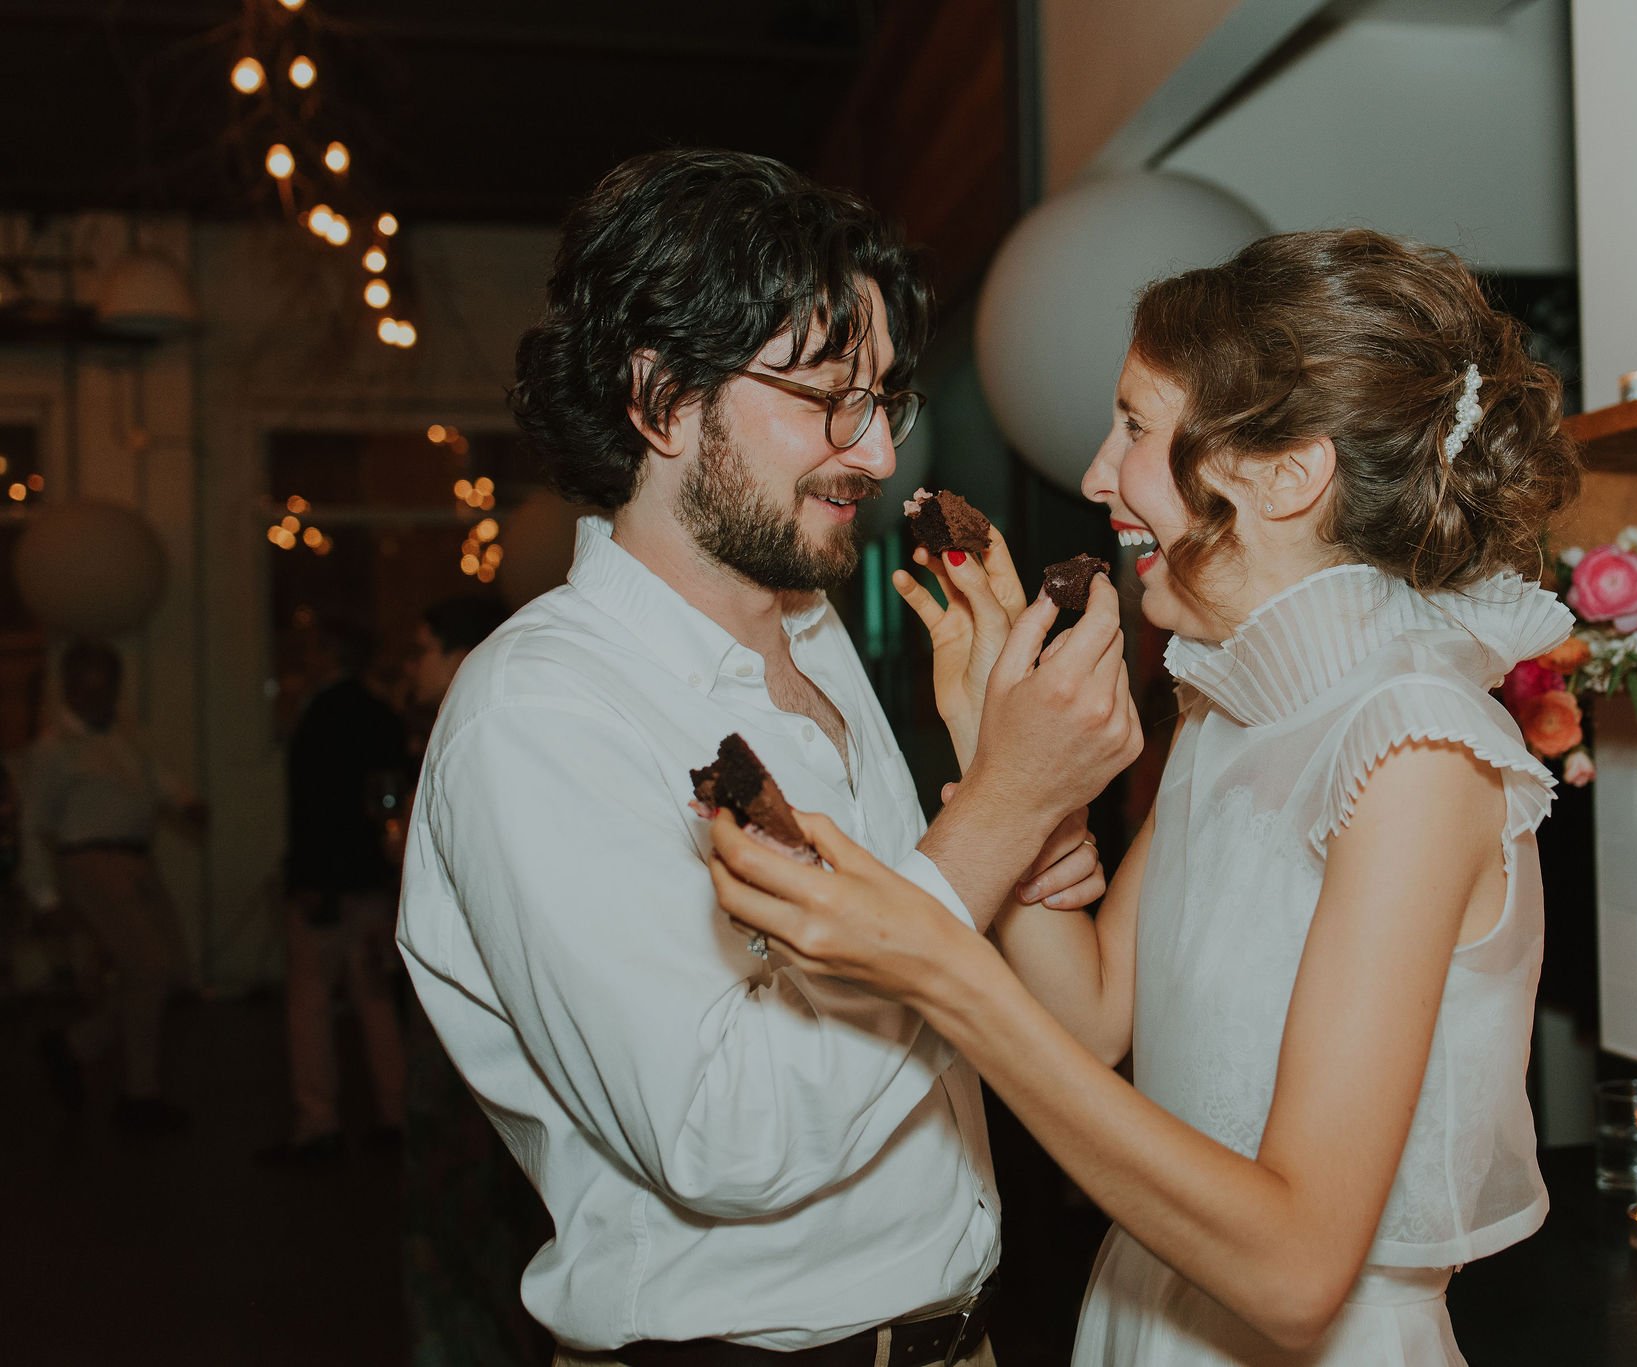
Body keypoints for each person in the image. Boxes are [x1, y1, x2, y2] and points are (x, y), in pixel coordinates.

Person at [709, 228, 1584, 1365]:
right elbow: (1092, 1016)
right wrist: (999, 752)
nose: (1091, 474)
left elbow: (1293, 1267)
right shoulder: (1227, 706)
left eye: (1133, 425)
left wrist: (939, 962)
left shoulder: (1413, 750)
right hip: (1146, 1312)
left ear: (1284, 472)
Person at [397, 148, 1139, 1364]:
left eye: (884, 399)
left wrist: (1020, 839)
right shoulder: (537, 714)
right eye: (825, 398)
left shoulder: (807, 621)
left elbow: (911, 960)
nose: (879, 454)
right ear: (662, 398)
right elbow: (723, 1135)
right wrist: (1002, 811)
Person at [393, 591, 554, 1367]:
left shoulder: (492, 729)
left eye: (424, 647)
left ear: (462, 651)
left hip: (489, 1023)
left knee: (479, 1220)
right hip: (467, 1018)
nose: (413, 666)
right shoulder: (442, 729)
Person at [16, 638, 204, 1134]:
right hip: (90, 863)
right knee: (148, 968)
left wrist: (185, 802)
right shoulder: (53, 751)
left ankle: (77, 1045)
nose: (99, 698)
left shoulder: (123, 734)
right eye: (89, 688)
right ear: (70, 689)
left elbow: (157, 779)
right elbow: (34, 828)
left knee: (170, 972)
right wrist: (44, 897)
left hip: (137, 860)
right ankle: (139, 1093)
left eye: (107, 687)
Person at [266, 616, 410, 1161]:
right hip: (370, 878)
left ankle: (317, 1121)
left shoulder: (317, 718)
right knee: (375, 999)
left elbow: (312, 808)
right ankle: (394, 1116)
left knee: (309, 1000)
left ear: (328, 651)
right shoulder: (380, 715)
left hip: (324, 882)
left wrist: (307, 878)